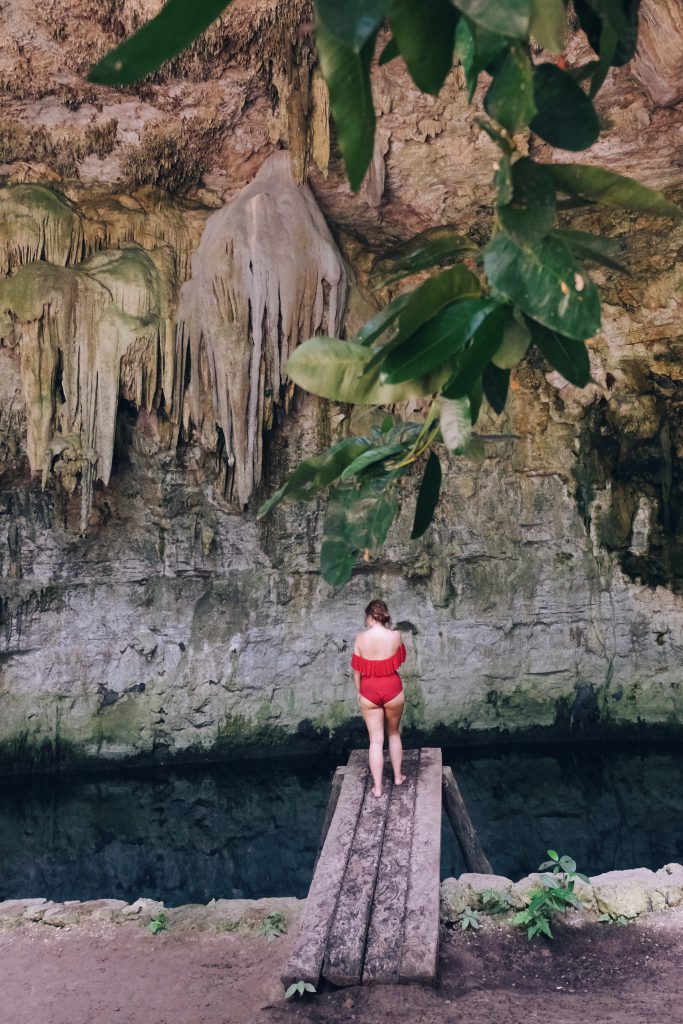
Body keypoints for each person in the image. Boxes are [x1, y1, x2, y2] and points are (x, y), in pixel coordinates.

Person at [351, 599, 407, 798]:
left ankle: (377, 788)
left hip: (369, 690)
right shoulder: (396, 635)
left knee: (375, 741)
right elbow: (398, 660)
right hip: (392, 688)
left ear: (369, 616)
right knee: (393, 733)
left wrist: (360, 692)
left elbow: (357, 671)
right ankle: (398, 777)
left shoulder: (360, 638)